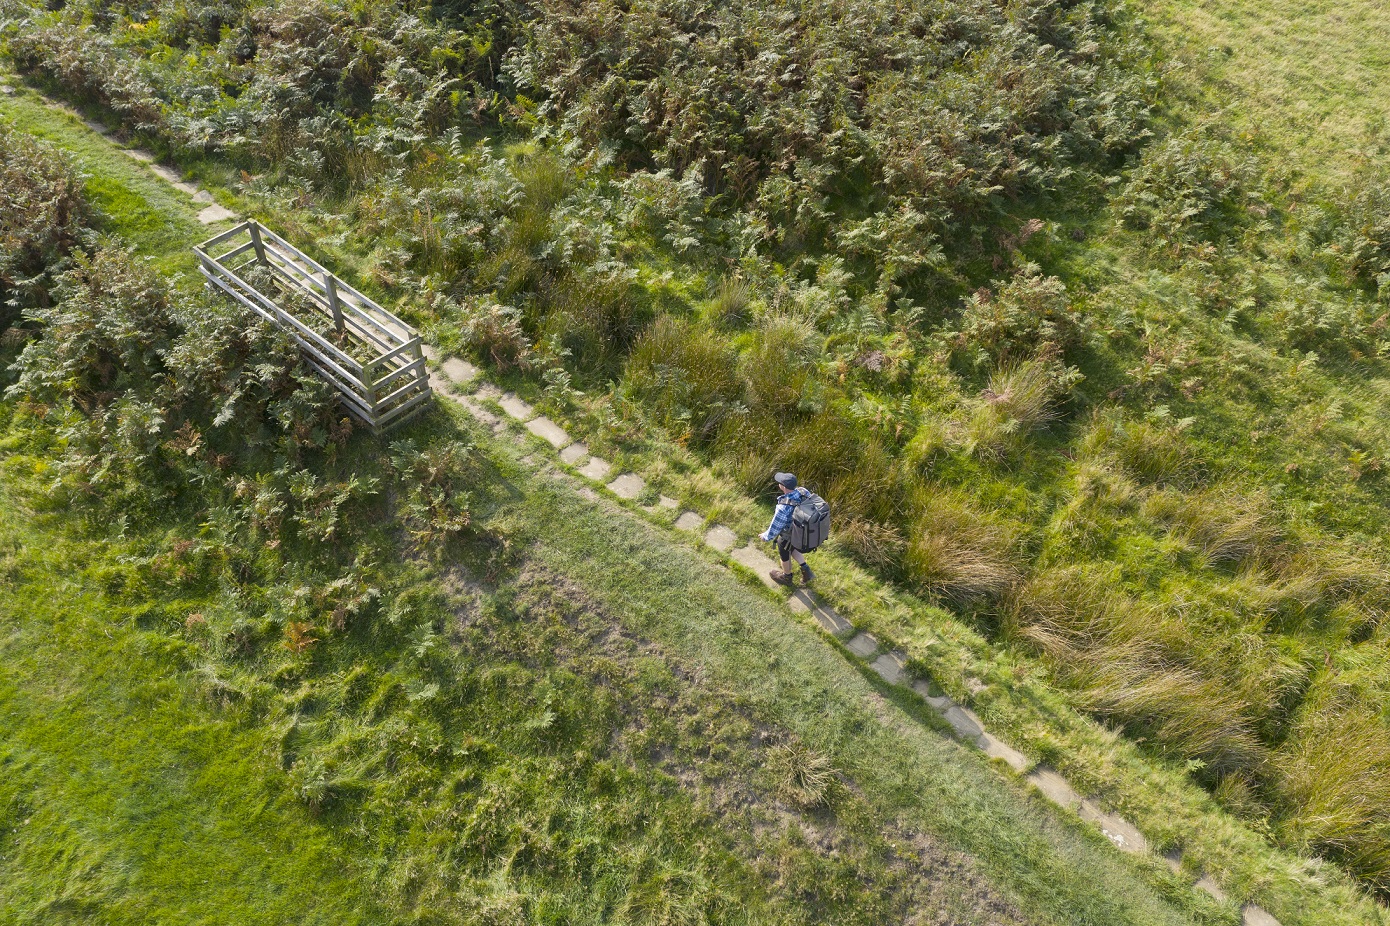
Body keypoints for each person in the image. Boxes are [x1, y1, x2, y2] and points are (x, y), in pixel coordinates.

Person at [759, 471, 815, 587]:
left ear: (783, 487)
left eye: (779, 482)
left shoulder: (783, 506)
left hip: (789, 535)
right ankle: (806, 571)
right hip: (802, 531)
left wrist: (765, 536)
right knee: (793, 548)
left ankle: (786, 577)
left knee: (784, 554)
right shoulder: (803, 491)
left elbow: (775, 526)